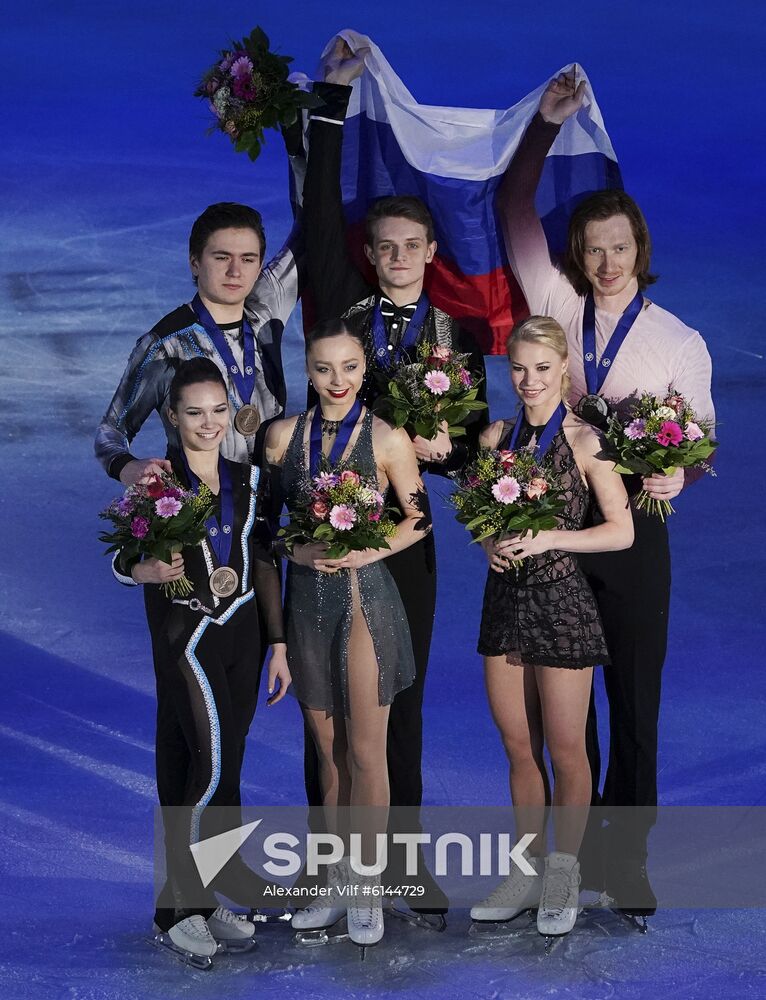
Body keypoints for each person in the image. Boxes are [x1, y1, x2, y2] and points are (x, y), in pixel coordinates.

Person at [497, 69, 715, 917]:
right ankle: (571, 856)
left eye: (619, 246)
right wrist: (547, 125)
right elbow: (514, 209)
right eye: (593, 247)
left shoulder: (677, 341)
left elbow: (701, 443)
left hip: (636, 534)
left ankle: (628, 857)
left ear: (640, 249)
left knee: (633, 702)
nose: (606, 260)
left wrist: (680, 473)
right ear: (578, 256)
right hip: (556, 524)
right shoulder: (555, 302)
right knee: (563, 699)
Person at [300, 39, 488, 916]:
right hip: (325, 538)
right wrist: (334, 99)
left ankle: (403, 862)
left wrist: (436, 445)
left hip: (407, 537)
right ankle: (332, 861)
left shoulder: (457, 335)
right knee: (327, 705)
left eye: (413, 245)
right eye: (386, 246)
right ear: (369, 254)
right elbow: (312, 216)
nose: (400, 257)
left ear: (429, 249)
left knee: (396, 698)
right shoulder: (343, 311)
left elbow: (468, 452)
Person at [113, 357, 290, 966]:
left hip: (243, 637)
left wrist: (280, 643)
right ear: (172, 415)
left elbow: (265, 560)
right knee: (207, 767)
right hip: (186, 636)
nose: (209, 423)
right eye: (194, 412)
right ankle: (182, 907)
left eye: (218, 410)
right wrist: (146, 570)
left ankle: (198, 903)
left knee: (226, 767)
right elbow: (120, 562)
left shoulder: (250, 480)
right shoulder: (157, 489)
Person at [265, 320, 431, 948]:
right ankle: (336, 880)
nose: (339, 382)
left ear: (365, 370)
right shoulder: (282, 438)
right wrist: (299, 552)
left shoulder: (387, 439)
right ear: (308, 372)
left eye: (351, 368)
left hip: (366, 602)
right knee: (328, 754)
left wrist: (365, 553)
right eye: (325, 369)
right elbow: (268, 527)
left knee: (366, 751)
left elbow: (419, 519)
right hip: (308, 605)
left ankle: (367, 886)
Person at [470, 316, 633, 938]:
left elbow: (622, 529)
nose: (530, 380)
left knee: (567, 751)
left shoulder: (588, 442)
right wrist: (489, 544)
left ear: (563, 369)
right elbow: (481, 517)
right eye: (519, 369)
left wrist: (551, 536)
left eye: (543, 369)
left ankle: (563, 875)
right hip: (504, 605)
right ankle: (525, 871)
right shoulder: (495, 440)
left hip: (563, 606)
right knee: (518, 747)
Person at [95, 200, 297, 486]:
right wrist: (127, 467)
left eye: (248, 259)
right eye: (222, 257)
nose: (235, 271)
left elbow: (312, 223)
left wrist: (300, 156)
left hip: (269, 517)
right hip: (200, 519)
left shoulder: (266, 311)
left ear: (260, 265)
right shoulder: (165, 344)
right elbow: (111, 430)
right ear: (195, 262)